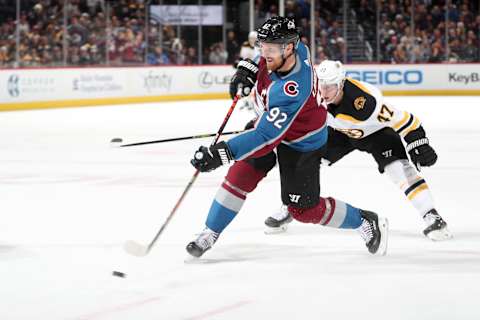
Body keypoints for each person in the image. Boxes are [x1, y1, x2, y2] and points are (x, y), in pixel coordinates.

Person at [186, 17, 389, 259]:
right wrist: (248, 67)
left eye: (270, 50)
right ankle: (210, 231)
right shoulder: (298, 48)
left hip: (302, 143)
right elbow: (261, 56)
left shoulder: (292, 89)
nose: (264, 53)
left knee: (304, 210)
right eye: (262, 47)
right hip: (270, 123)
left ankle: (364, 220)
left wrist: (221, 153)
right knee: (239, 176)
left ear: (289, 48)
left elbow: (265, 137)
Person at [264, 60, 452, 241]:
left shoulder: (366, 102)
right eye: (321, 84)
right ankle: (292, 204)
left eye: (329, 86)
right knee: (306, 161)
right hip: (340, 133)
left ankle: (432, 216)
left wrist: (418, 142)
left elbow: (405, 120)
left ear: (341, 83)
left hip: (376, 133)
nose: (323, 91)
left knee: (398, 170)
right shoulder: (313, 93)